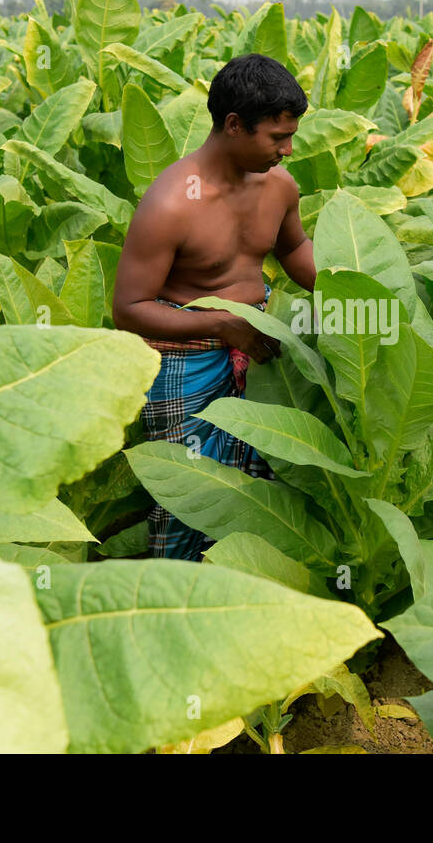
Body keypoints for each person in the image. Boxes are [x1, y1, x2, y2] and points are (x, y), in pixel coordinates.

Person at [112, 53, 317, 561]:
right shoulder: (172, 203)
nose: (288, 150)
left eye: (291, 135)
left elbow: (293, 250)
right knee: (193, 491)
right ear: (233, 125)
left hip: (260, 348)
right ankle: (177, 598)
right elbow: (129, 307)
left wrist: (354, 290)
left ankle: (249, 589)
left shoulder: (279, 187)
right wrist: (224, 326)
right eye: (277, 137)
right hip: (187, 358)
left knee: (269, 484)